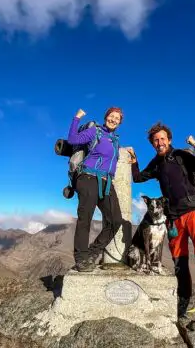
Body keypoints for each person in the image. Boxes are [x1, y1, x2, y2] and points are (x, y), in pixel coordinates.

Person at [127, 122, 195, 332]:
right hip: (173, 219)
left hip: (193, 214)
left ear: (169, 139)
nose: (159, 143)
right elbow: (138, 177)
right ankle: (183, 305)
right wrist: (134, 162)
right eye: (155, 140)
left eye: (162, 139)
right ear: (153, 144)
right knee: (180, 264)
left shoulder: (181, 155)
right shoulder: (156, 163)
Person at [67, 107, 124, 272]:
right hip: (88, 178)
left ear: (119, 122)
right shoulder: (95, 131)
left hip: (106, 183)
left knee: (115, 220)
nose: (113, 119)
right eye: (111, 116)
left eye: (117, 118)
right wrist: (76, 118)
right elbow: (72, 139)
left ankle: (93, 252)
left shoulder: (115, 140)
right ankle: (81, 258)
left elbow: (111, 156)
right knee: (85, 219)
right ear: (106, 117)